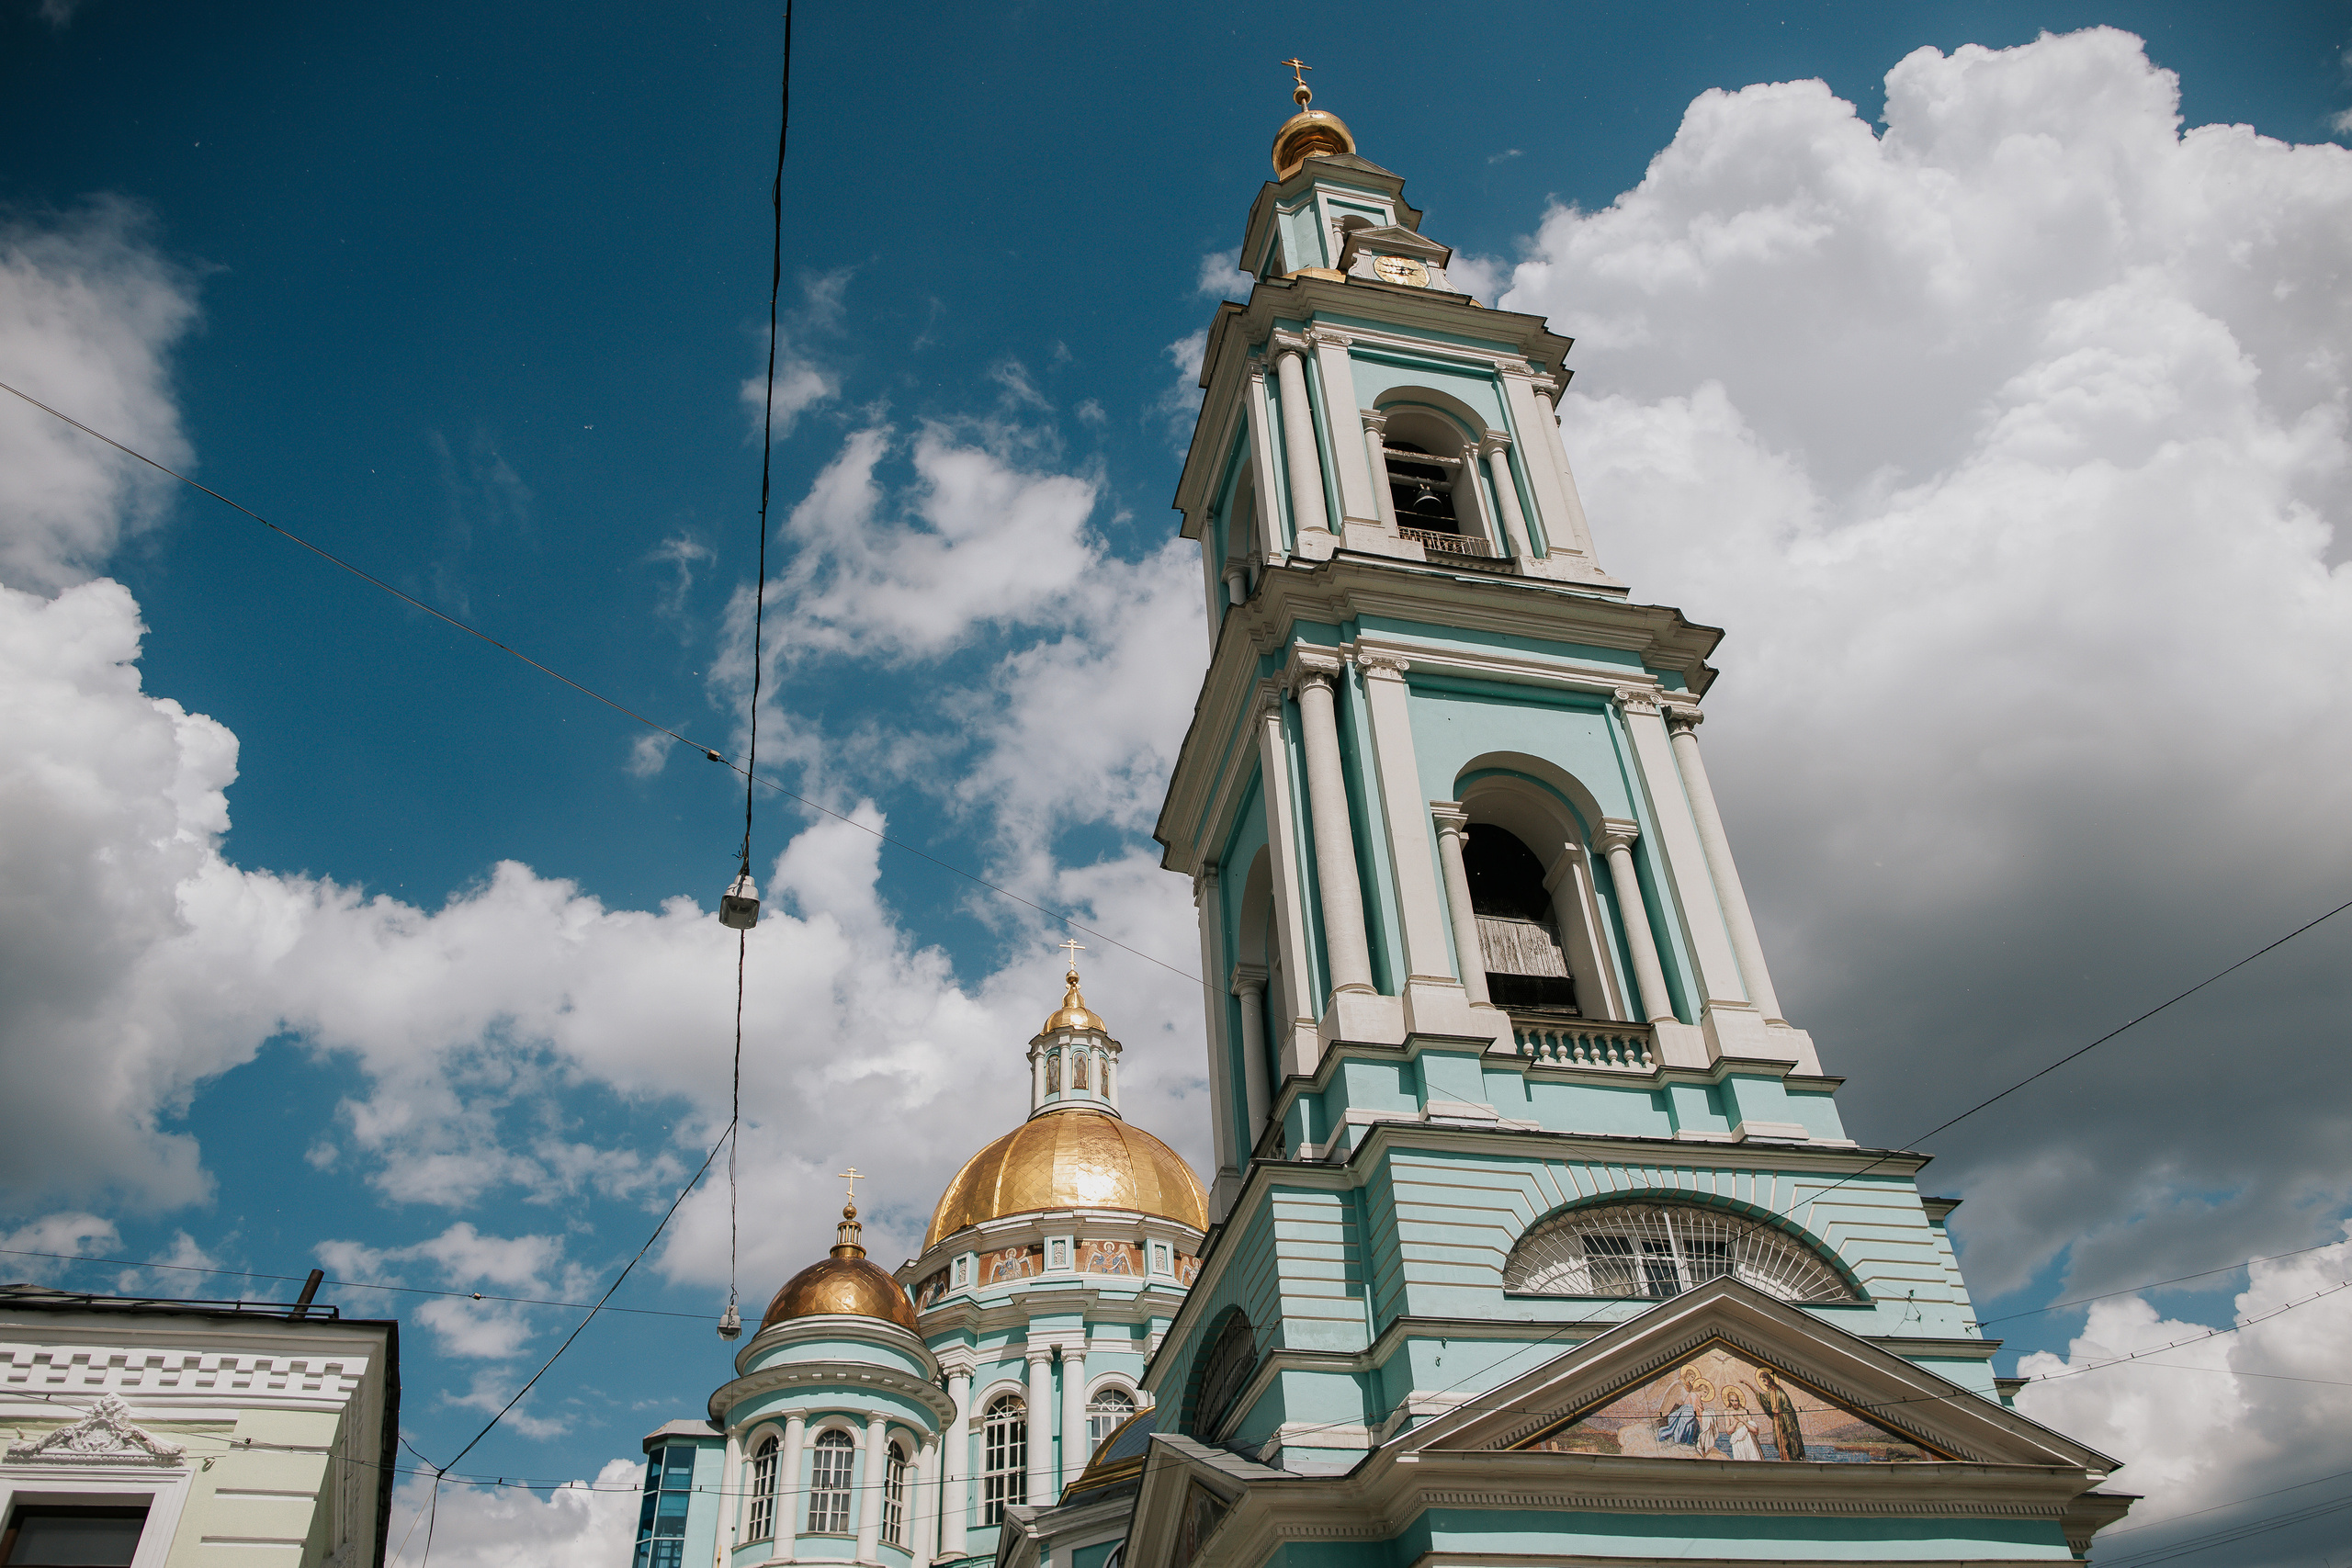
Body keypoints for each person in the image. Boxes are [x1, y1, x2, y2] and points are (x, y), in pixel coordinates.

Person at [1748, 1367, 1807, 1462]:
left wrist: (1781, 1411)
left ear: (1769, 1379)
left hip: (1785, 1421)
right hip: (1776, 1421)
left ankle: (1791, 1458)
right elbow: (1762, 1399)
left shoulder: (1780, 1393)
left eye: (1764, 1380)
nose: (1764, 1383)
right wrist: (1749, 1386)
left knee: (1787, 1440)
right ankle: (1784, 1458)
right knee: (1778, 1441)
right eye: (1762, 1382)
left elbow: (1789, 1408)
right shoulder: (1769, 1394)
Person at [1713, 1388, 1763, 1461]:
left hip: (1748, 1440)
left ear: (1739, 1400)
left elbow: (1755, 1430)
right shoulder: (1727, 1412)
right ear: (1729, 1401)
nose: (1734, 1403)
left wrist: (1742, 1420)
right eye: (1732, 1400)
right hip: (1737, 1441)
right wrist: (1736, 1421)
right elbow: (1728, 1431)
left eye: (1736, 1400)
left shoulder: (1745, 1411)